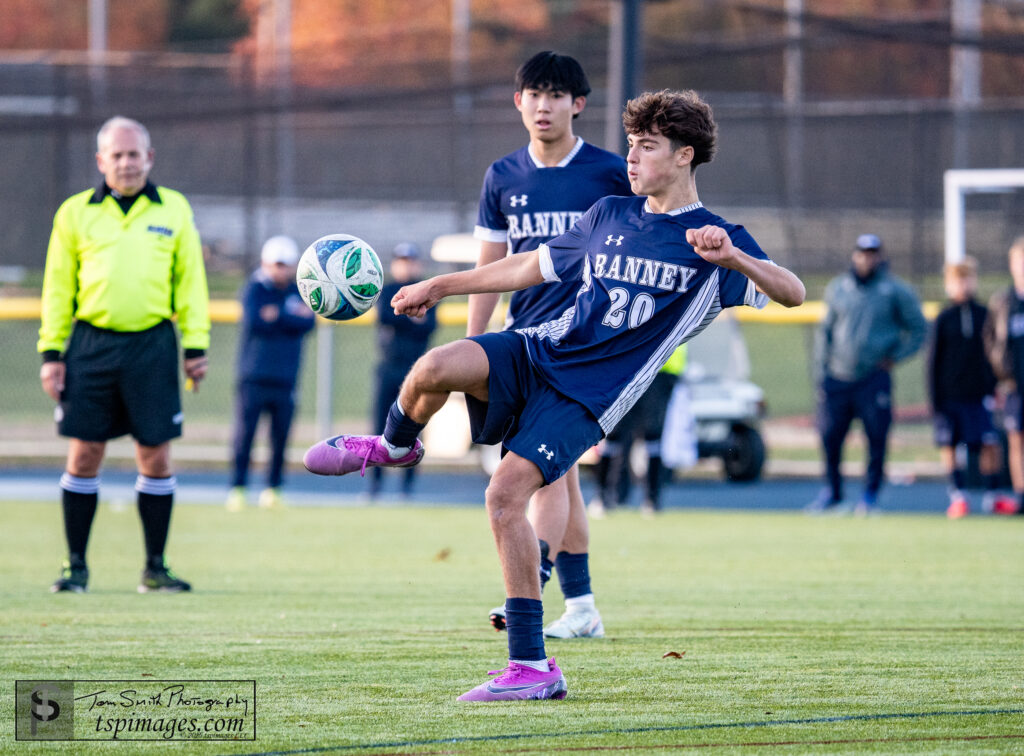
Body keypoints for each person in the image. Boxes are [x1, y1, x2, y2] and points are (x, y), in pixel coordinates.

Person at [303, 89, 805, 701]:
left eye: (647, 147)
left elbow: (793, 293)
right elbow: (527, 267)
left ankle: (532, 669)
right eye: (630, 145)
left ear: (683, 156)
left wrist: (738, 259)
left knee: (504, 495)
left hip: (588, 400)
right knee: (435, 366)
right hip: (539, 349)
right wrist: (442, 284)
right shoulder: (608, 215)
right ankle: (394, 446)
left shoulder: (717, 240)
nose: (632, 157)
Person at [468, 51, 632, 638]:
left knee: (545, 471)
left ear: (578, 104)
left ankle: (533, 572)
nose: (544, 104)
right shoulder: (502, 176)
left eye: (556, 95)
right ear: (518, 102)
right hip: (523, 343)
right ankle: (582, 607)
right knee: (562, 476)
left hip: (583, 348)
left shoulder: (612, 173)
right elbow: (490, 263)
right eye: (533, 93)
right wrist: (474, 343)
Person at [38, 116, 210, 593]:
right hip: (90, 345)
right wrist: (52, 352)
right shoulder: (75, 213)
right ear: (101, 161)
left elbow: (190, 282)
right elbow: (57, 287)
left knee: (155, 455)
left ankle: (155, 568)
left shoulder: (174, 209)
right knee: (85, 452)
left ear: (149, 158)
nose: (126, 162)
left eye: (134, 153)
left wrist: (195, 346)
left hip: (153, 345)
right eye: (117, 154)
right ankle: (76, 567)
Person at [809, 233, 926, 515]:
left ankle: (870, 495)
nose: (867, 258)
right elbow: (825, 332)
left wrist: (894, 357)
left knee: (876, 437)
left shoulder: (895, 290)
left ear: (880, 257)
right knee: (830, 437)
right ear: (854, 255)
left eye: (872, 253)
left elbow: (919, 329)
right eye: (862, 252)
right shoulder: (839, 288)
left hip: (873, 377)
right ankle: (833, 493)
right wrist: (821, 372)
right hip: (838, 376)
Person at [226, 235, 315, 512]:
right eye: (276, 264)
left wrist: (276, 316)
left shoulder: (299, 291)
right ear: (265, 263)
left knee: (280, 438)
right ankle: (238, 488)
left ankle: (273, 488)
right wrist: (288, 317)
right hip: (253, 377)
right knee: (245, 436)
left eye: (286, 265)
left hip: (286, 378)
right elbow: (256, 320)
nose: (281, 270)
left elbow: (307, 322)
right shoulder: (254, 289)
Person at [929, 257, 1012, 518]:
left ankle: (993, 496)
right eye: (958, 280)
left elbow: (994, 354)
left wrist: (995, 385)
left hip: (978, 395)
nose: (963, 285)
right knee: (950, 444)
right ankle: (958, 496)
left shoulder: (985, 315)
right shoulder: (944, 318)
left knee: (989, 444)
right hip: (950, 395)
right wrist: (935, 398)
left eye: (968, 279)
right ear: (949, 284)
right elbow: (933, 360)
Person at [368, 242, 437, 498]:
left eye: (409, 260)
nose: (405, 265)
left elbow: (428, 327)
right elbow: (385, 317)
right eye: (401, 260)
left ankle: (407, 486)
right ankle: (375, 484)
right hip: (389, 368)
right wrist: (412, 318)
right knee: (379, 427)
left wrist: (405, 318)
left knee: (414, 426)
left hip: (415, 372)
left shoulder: (426, 290)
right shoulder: (386, 291)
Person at [590, 344, 687, 518]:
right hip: (627, 369)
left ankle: (652, 500)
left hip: (659, 371)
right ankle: (604, 497)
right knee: (613, 434)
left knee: (653, 437)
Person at [982, 236, 1024, 515]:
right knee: (1016, 439)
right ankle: (1022, 495)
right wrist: (1001, 376)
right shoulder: (1003, 302)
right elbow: (991, 343)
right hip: (1015, 386)